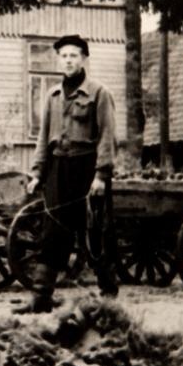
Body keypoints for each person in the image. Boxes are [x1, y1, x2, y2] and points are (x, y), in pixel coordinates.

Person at [14, 34, 118, 314]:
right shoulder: (52, 95)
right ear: (58, 60)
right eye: (64, 56)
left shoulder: (99, 93)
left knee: (95, 232)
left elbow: (107, 137)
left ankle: (108, 295)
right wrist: (37, 173)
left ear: (84, 59)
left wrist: (101, 175)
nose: (69, 60)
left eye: (74, 55)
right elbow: (42, 138)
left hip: (87, 169)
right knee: (52, 233)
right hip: (58, 170)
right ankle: (41, 297)